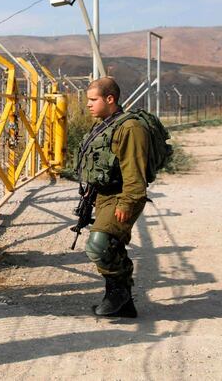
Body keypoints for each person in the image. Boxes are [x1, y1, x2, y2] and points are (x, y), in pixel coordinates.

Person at [78, 77, 150, 318]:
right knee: (111, 244)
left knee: (99, 245)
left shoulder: (130, 128)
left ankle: (118, 292)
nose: (88, 105)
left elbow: (135, 170)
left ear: (110, 99)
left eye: (93, 100)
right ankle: (123, 303)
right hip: (104, 194)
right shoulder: (104, 125)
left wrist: (128, 202)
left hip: (123, 195)